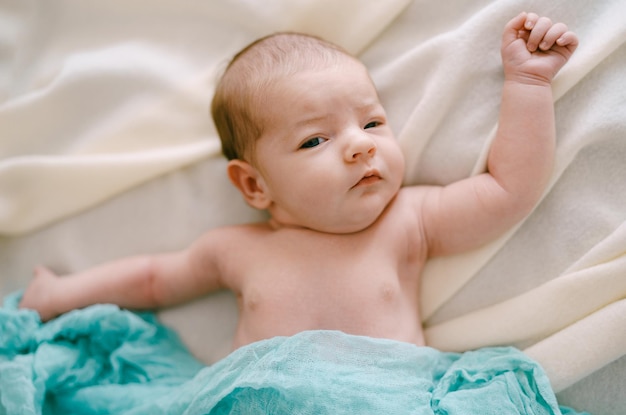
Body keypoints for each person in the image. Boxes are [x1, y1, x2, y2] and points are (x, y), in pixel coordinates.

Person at [20, 12, 578, 350]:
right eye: (315, 140)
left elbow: (510, 188)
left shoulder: (409, 221)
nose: (360, 143)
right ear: (255, 187)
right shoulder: (234, 249)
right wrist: (61, 295)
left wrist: (527, 83)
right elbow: (150, 282)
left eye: (372, 122)